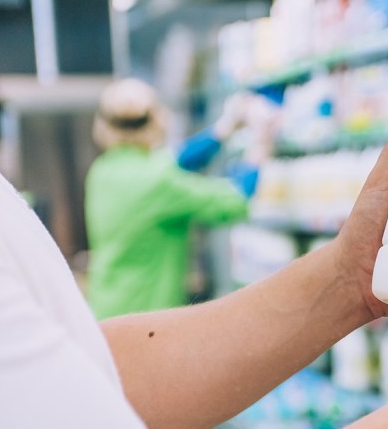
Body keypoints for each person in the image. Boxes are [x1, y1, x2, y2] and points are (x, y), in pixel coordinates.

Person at [0, 105, 388, 427]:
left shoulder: (110, 171)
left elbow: (93, 378)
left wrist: (350, 277)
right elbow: (229, 197)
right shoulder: (151, 176)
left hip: (116, 306)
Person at [85, 79, 276, 319]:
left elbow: (174, 160)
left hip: (106, 309)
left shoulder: (102, 171)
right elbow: (233, 201)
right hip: (144, 319)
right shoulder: (158, 183)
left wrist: (224, 128)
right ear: (158, 119)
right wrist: (261, 141)